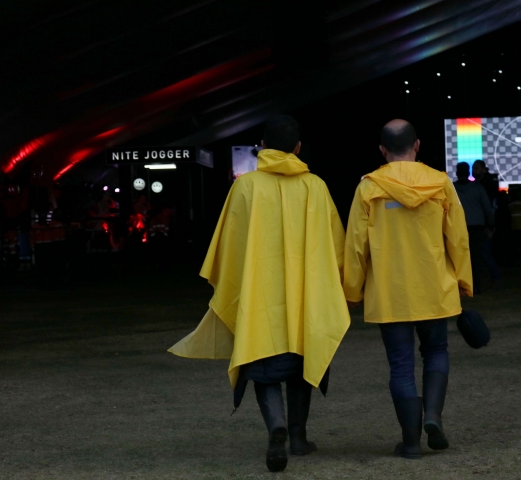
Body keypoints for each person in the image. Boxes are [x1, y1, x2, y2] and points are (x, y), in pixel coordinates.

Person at [169, 115, 350, 472]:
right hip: (305, 300)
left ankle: (277, 426)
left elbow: (229, 249)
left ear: (262, 146)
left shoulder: (245, 187)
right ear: (298, 148)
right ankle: (298, 437)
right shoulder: (315, 187)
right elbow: (336, 249)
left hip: (259, 300)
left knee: (261, 365)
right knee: (302, 363)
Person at [343, 119, 473, 459]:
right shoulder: (441, 183)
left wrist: (352, 291)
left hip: (390, 291)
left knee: (400, 366)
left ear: (383, 151)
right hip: (434, 286)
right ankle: (433, 415)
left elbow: (355, 245)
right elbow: (458, 238)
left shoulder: (368, 188)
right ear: (417, 146)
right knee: (436, 352)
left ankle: (411, 442)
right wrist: (462, 280)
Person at [454, 162, 494, 294]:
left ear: (457, 173)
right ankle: (475, 286)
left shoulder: (452, 188)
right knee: (476, 258)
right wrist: (490, 224)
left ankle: (462, 287)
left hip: (458, 228)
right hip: (477, 227)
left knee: (459, 259)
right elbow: (488, 209)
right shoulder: (478, 188)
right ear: (469, 173)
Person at [471, 160, 501, 288]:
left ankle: (495, 279)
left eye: (476, 169)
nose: (474, 171)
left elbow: (490, 207)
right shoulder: (483, 184)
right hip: (482, 223)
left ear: (483, 169)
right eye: (473, 169)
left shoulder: (485, 185)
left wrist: (489, 225)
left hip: (484, 224)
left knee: (485, 253)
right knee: (484, 253)